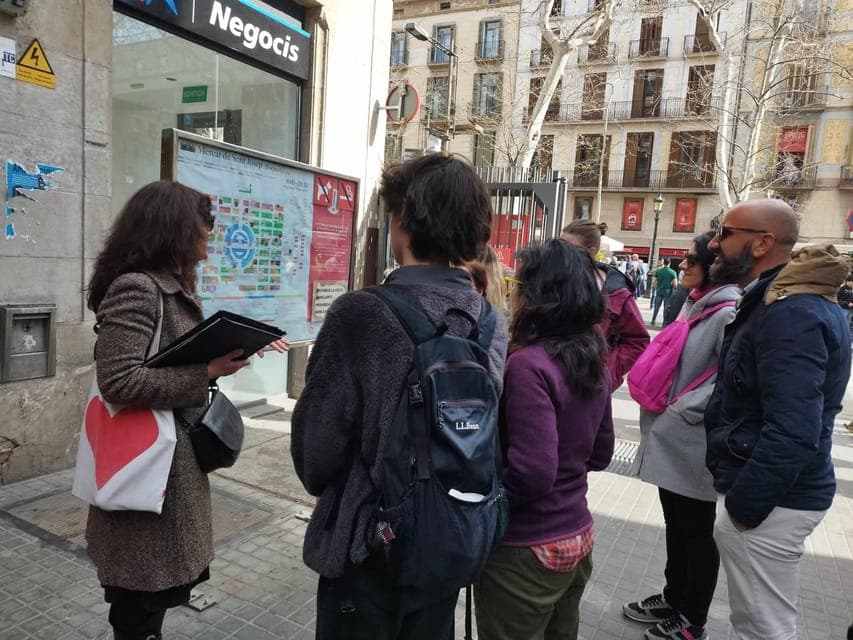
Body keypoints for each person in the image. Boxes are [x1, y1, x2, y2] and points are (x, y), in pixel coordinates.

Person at [290, 153, 508, 639]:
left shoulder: (360, 314)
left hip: (369, 547)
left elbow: (315, 455)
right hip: (450, 536)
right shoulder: (489, 321)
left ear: (403, 217)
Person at [85, 181, 287, 639]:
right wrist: (207, 370)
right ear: (172, 227)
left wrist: (221, 358)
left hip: (170, 467)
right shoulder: (137, 289)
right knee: (136, 605)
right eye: (203, 223)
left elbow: (166, 362)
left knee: (150, 600)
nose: (209, 234)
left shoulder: (169, 285)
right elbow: (116, 381)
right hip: (145, 468)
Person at [705, 199, 851, 640]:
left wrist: (744, 509)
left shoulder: (791, 314)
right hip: (775, 497)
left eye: (725, 232)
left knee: (763, 627)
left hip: (773, 502)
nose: (714, 242)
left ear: (762, 243)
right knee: (758, 622)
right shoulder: (782, 304)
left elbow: (793, 429)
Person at [474, 239, 614, 640]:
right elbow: (602, 453)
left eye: (520, 282)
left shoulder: (528, 366)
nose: (514, 290)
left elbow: (533, 472)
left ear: (538, 295)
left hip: (527, 549)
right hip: (577, 536)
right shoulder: (593, 356)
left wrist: (486, 507)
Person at [624, 231, 741, 640]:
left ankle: (694, 618)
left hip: (694, 440)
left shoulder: (727, 312)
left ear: (714, 265)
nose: (683, 265)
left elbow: (731, 380)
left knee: (697, 530)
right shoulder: (694, 304)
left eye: (693, 259)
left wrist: (684, 409)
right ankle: (674, 596)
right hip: (672, 435)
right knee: (675, 521)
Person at [562, 220, 650, 391]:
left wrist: (608, 371)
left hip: (591, 386)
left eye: (569, 248)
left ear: (591, 252)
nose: (562, 254)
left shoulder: (617, 292)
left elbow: (638, 341)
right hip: (553, 379)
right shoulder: (551, 279)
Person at [651, 258, 678, 326]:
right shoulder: (672, 272)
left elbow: (654, 281)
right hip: (668, 292)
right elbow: (675, 284)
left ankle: (653, 320)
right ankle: (664, 322)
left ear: (664, 263)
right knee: (666, 308)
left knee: (656, 307)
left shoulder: (658, 271)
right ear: (670, 263)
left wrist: (656, 287)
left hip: (659, 291)